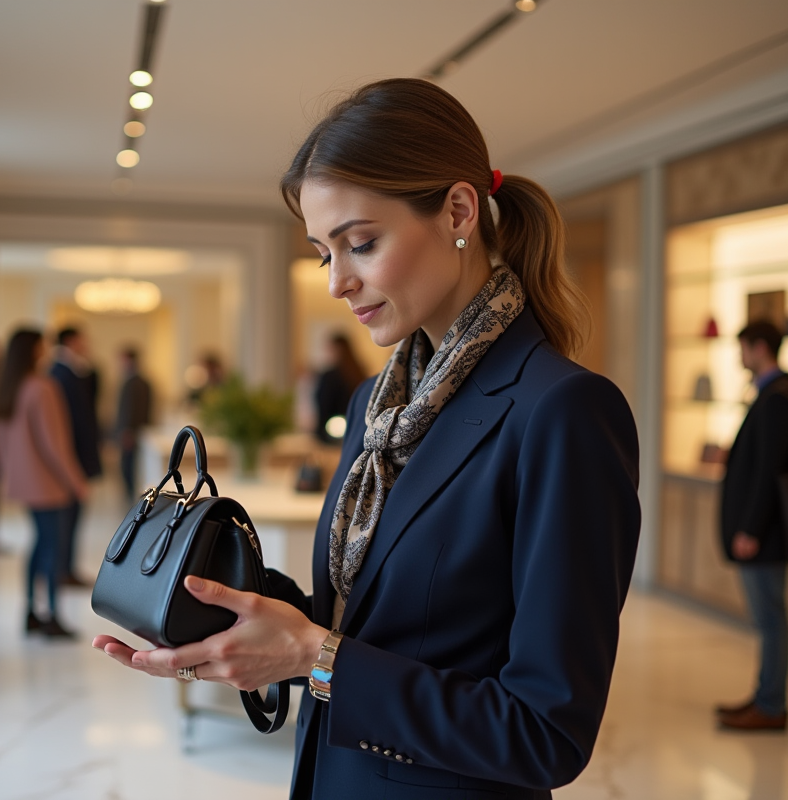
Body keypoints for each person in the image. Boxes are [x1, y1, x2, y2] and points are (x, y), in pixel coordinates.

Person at [94, 78, 641, 799]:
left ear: (458, 210)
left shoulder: (563, 412)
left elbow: (545, 733)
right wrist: (217, 593)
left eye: (361, 244)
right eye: (324, 252)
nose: (336, 282)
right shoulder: (374, 407)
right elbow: (372, 618)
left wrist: (314, 658)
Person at [715, 320, 788, 732]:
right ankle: (765, 696)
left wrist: (750, 528)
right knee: (769, 619)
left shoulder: (776, 399)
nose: (740, 358)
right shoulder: (775, 394)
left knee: (771, 620)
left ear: (759, 349)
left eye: (743, 349)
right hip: (765, 532)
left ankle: (771, 706)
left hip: (765, 534)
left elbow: (770, 472)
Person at [0, 329, 88, 639]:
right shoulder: (42, 388)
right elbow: (55, 445)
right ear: (33, 350)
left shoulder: (9, 388)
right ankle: (51, 615)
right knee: (53, 548)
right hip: (47, 483)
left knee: (38, 544)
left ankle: (32, 612)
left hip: (24, 482)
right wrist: (76, 480)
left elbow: (1, 443)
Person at [49, 327, 103, 587]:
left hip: (76, 459)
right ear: (70, 341)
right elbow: (68, 425)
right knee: (66, 518)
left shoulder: (75, 371)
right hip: (70, 460)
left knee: (73, 518)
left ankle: (66, 568)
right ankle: (62, 570)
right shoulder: (59, 373)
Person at [115, 347, 152, 504]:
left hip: (131, 433)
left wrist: (127, 432)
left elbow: (131, 410)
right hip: (135, 432)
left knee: (128, 468)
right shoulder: (142, 382)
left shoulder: (134, 383)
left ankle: (132, 499)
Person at [314, 333, 365, 443]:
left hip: (331, 432)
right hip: (356, 431)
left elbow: (323, 405)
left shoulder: (330, 376)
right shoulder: (359, 373)